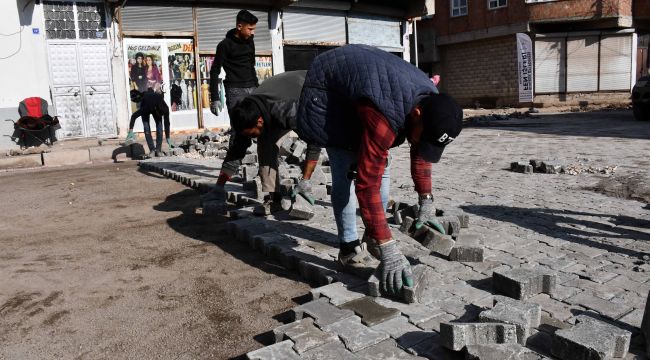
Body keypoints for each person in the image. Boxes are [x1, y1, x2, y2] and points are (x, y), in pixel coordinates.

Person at [295, 44, 463, 295]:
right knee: (347, 171)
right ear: (416, 114)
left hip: (367, 86)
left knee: (381, 171)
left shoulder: (429, 105)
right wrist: (390, 251)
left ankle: (374, 236)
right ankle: (349, 248)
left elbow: (420, 152)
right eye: (423, 137)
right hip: (329, 91)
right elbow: (366, 183)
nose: (421, 144)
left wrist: (425, 202)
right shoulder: (384, 111)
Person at [200, 70, 321, 211]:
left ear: (259, 121)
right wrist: (219, 187)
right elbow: (236, 152)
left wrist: (305, 180)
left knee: (332, 142)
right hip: (278, 98)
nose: (252, 138)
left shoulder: (287, 110)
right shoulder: (246, 116)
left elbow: (315, 139)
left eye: (252, 135)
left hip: (311, 91)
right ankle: (274, 199)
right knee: (265, 145)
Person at [209, 10, 258, 117]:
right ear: (239, 26)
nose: (253, 33)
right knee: (239, 127)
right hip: (235, 90)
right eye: (250, 29)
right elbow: (214, 71)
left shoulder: (250, 41)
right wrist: (215, 98)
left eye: (254, 29)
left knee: (255, 125)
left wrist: (257, 88)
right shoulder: (225, 45)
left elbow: (251, 66)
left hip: (253, 88)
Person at [124, 89, 174, 155]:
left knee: (159, 126)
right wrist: (130, 130)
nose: (160, 117)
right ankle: (152, 150)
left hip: (157, 104)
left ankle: (158, 150)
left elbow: (167, 123)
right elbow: (134, 116)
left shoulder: (166, 109)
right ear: (156, 110)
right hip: (147, 103)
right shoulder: (146, 107)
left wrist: (168, 137)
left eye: (161, 116)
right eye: (159, 115)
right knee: (146, 127)